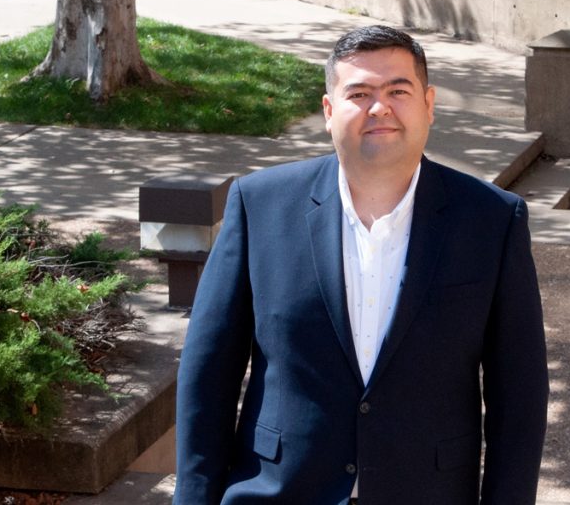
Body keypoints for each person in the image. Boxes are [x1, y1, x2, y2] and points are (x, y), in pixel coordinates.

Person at [174, 25, 548, 505]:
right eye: (359, 93)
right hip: (278, 493)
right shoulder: (259, 205)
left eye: (398, 90)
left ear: (429, 104)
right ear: (329, 111)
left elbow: (518, 395)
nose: (380, 107)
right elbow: (210, 372)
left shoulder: (493, 220)